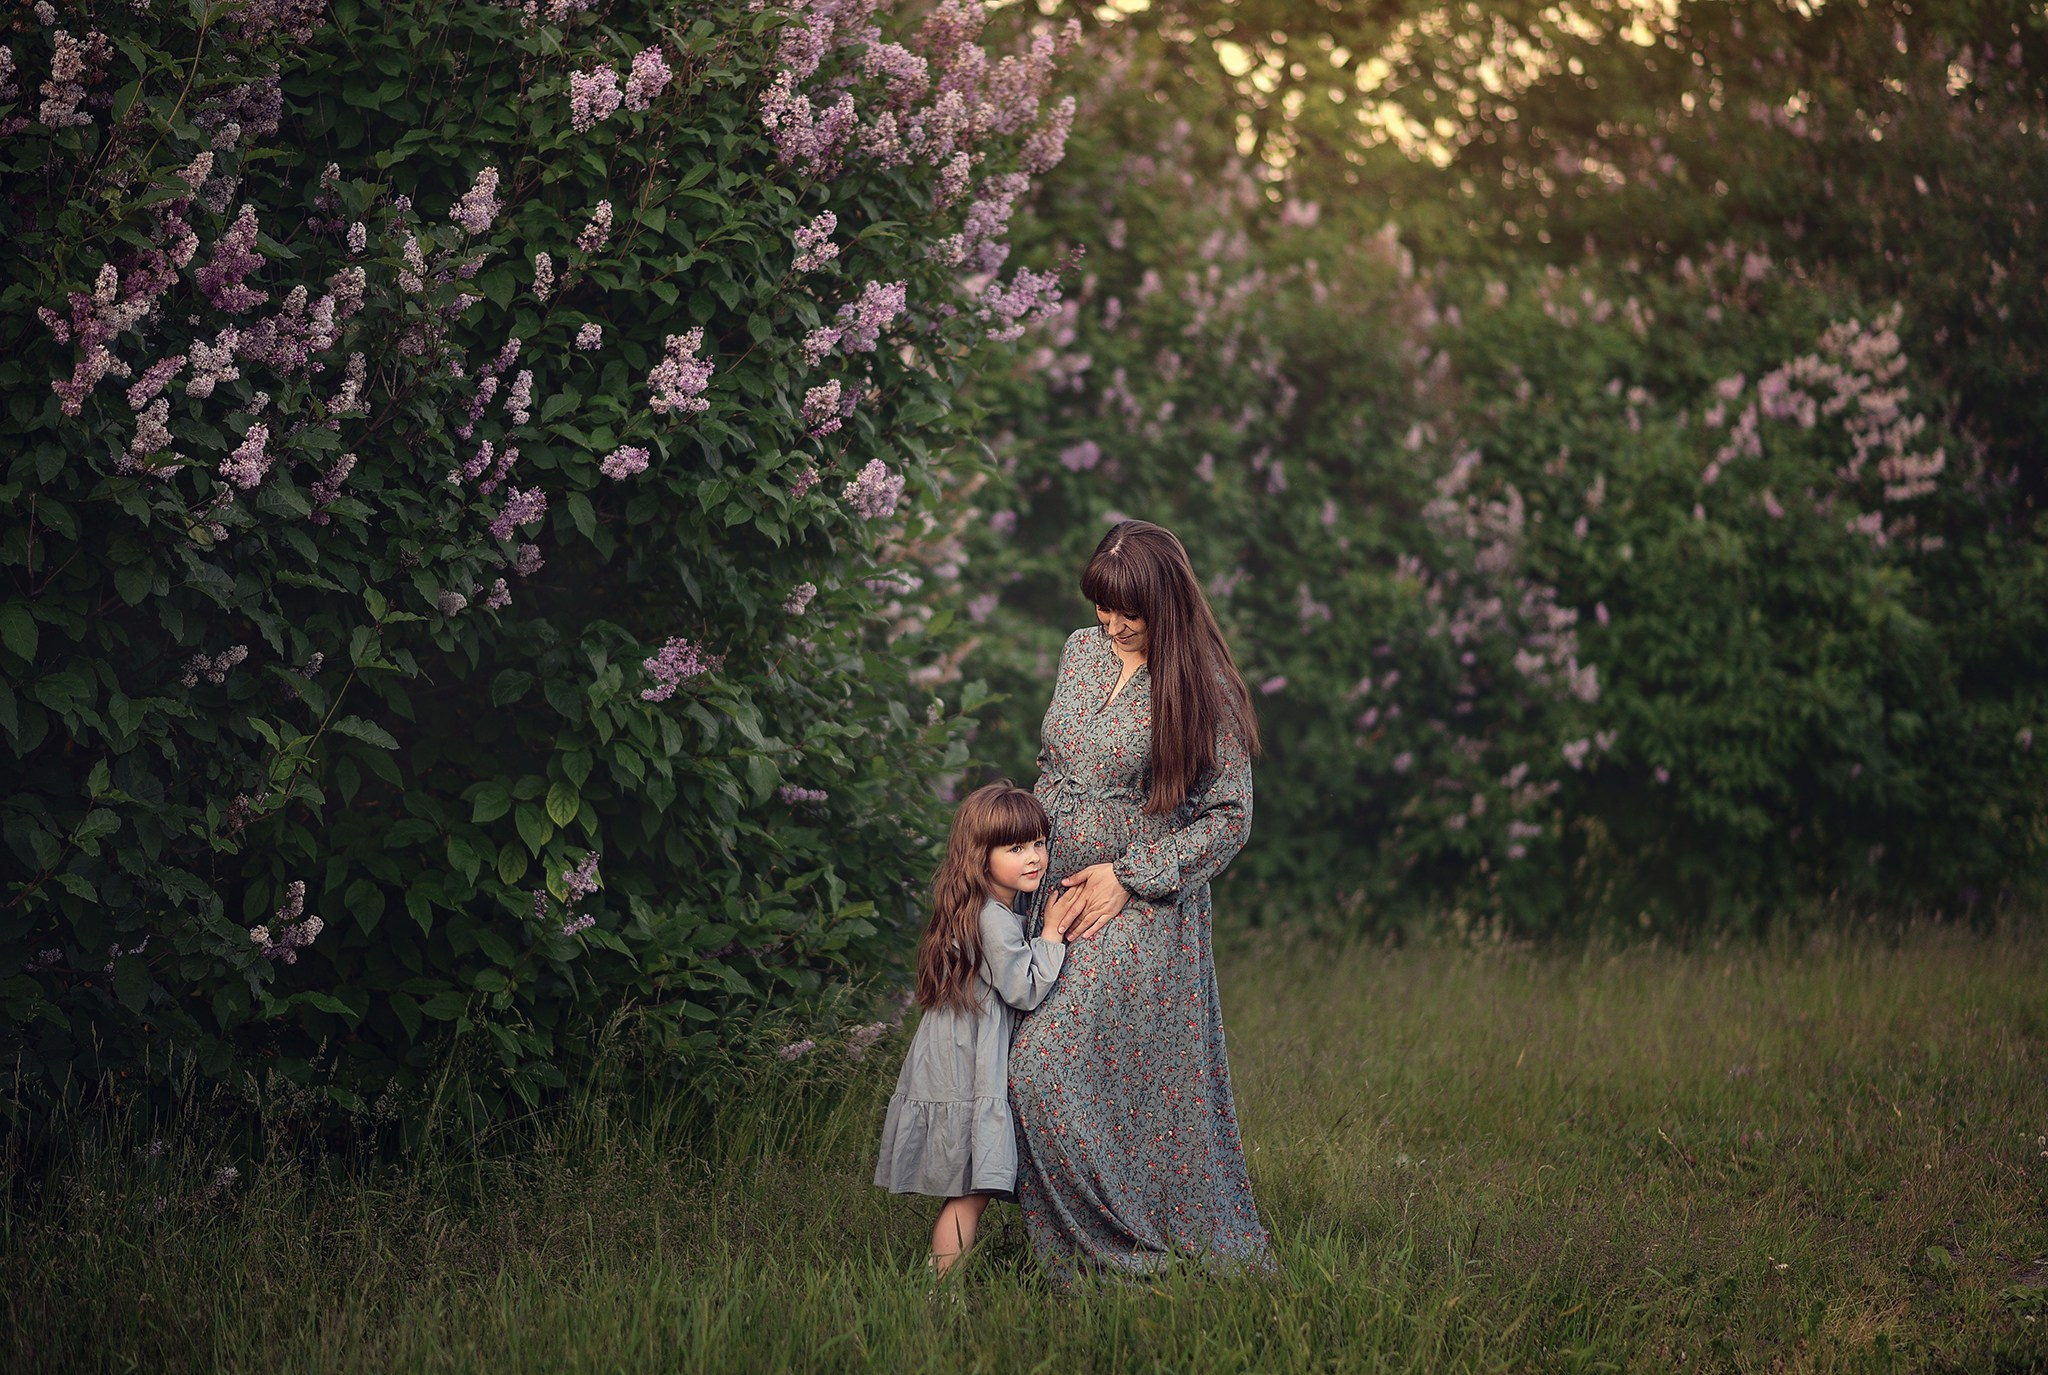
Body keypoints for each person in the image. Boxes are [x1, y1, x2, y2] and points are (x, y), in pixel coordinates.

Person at [1010, 518, 1273, 1281]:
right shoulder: (1079, 651)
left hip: (1142, 902)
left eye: (1132, 611)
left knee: (1042, 1068)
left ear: (1168, 601)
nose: (1115, 625)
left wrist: (1128, 875)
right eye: (1103, 606)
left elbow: (1231, 818)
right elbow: (1049, 763)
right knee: (1006, 1069)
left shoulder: (1204, 684)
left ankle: (1119, 1256)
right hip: (1047, 891)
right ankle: (1070, 1233)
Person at [873, 782, 1075, 1276]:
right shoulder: (993, 919)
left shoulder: (982, 906)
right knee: (970, 1191)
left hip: (953, 1056)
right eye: (1016, 848)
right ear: (979, 857)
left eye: (1039, 843)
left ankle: (937, 1289)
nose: (1035, 858)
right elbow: (1023, 989)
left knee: (970, 1188)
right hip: (963, 1067)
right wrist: (1051, 935)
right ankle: (938, 1292)